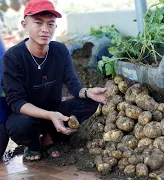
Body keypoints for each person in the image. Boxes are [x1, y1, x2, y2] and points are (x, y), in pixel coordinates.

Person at [0, 0, 107, 162]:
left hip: (56, 111)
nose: (45, 29)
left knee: (90, 101)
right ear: (24, 24)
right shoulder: (13, 57)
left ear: (55, 26)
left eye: (51, 24)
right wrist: (50, 115)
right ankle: (34, 144)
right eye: (38, 23)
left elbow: (72, 84)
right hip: (29, 117)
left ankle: (48, 139)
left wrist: (86, 92)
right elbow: (16, 102)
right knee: (18, 125)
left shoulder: (60, 50)